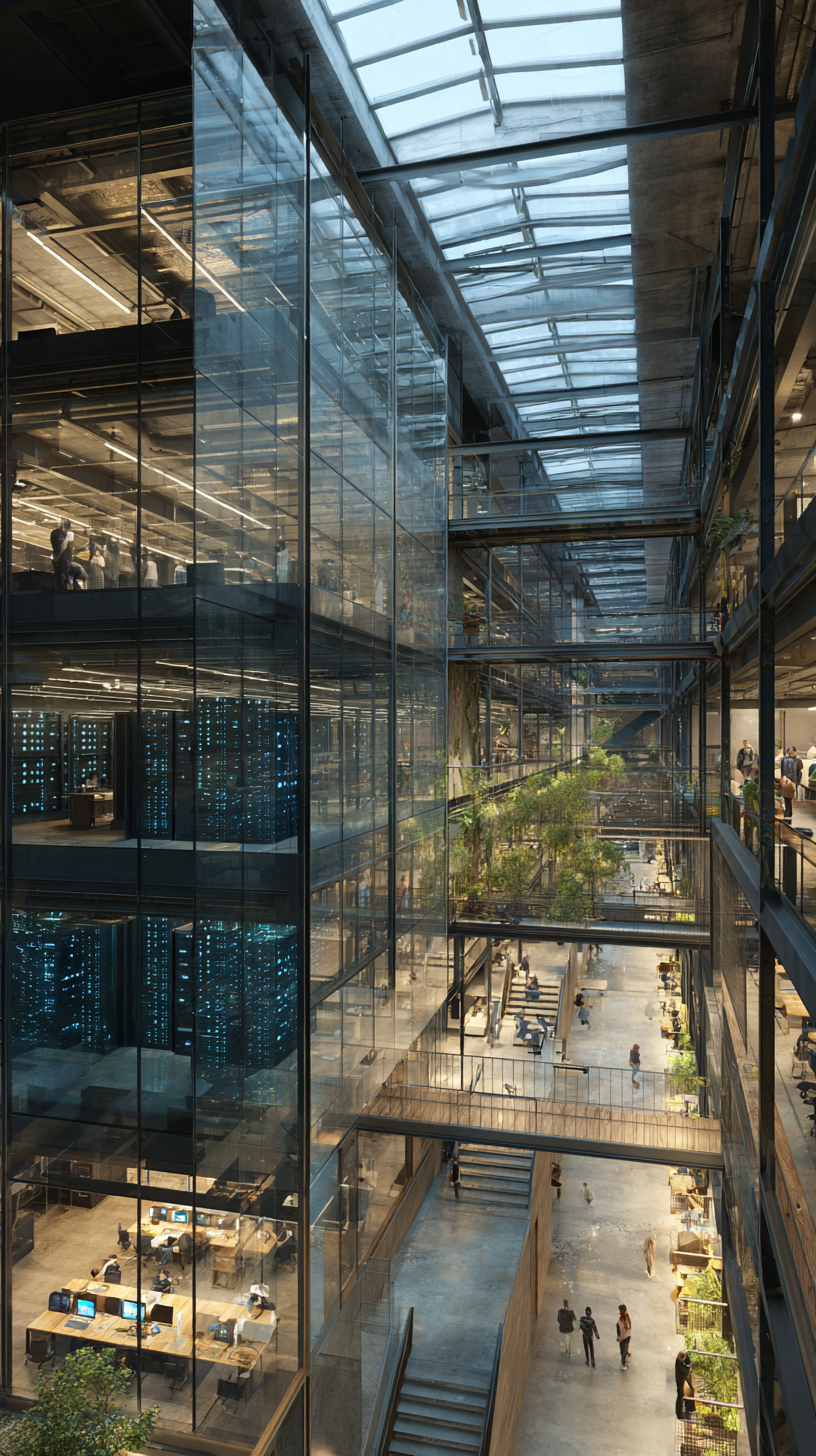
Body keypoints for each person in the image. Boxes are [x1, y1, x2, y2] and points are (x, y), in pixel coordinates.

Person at [50, 518, 73, 591]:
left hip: (57, 560)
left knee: (58, 578)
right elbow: (62, 547)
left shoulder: (54, 532)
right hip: (63, 561)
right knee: (63, 579)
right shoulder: (64, 535)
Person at [675, 1350, 694, 1417]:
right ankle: (680, 1413)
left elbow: (687, 1369)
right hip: (680, 1377)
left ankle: (689, 1410)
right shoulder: (680, 1364)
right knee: (681, 1394)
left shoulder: (683, 1362)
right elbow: (686, 1371)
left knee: (691, 1389)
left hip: (683, 1376)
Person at [616, 1305, 631, 1369]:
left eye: (620, 1310)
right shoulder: (623, 1317)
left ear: (623, 1310)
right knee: (623, 1350)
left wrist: (620, 1337)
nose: (619, 1312)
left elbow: (627, 1328)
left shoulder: (625, 1318)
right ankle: (627, 1354)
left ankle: (623, 1364)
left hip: (625, 1336)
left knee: (623, 1351)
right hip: (624, 1336)